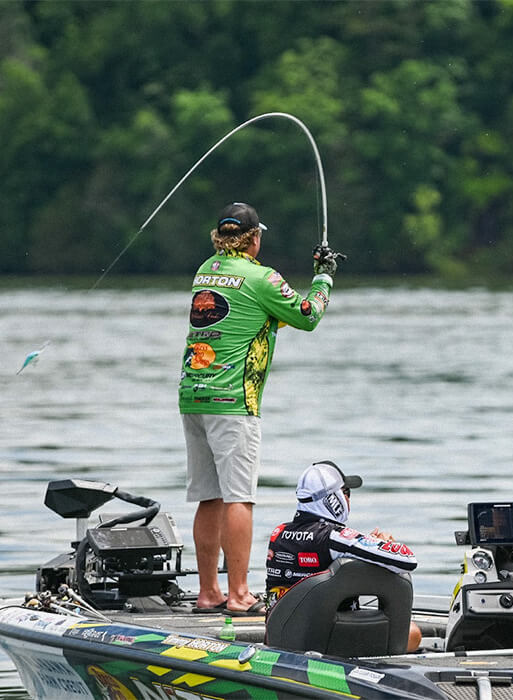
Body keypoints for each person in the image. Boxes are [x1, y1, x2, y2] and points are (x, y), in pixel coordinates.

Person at [180, 202, 342, 615]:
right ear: (254, 239)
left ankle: (208, 593)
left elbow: (253, 316)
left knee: (208, 497)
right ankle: (238, 595)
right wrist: (324, 276)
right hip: (233, 401)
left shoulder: (206, 271)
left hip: (193, 396)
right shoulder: (262, 277)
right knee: (239, 498)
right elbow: (308, 316)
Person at [265, 460, 422, 651]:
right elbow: (408, 560)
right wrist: (385, 543)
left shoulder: (278, 534)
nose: (348, 499)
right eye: (346, 493)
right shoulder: (334, 537)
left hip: (280, 635)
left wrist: (365, 545)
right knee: (413, 633)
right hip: (328, 642)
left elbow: (313, 552)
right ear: (334, 498)